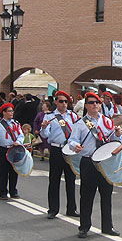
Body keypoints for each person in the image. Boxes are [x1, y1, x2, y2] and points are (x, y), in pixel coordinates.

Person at [68, 92, 122, 238]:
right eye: (91, 103)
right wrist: (76, 146)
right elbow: (71, 141)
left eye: (97, 102)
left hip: (105, 161)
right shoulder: (80, 123)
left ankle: (107, 226)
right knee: (87, 195)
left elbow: (116, 139)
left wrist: (118, 133)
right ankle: (84, 226)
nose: (95, 105)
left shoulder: (107, 121)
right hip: (88, 161)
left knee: (107, 195)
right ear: (86, 106)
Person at [40, 90, 80, 219]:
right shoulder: (49, 116)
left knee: (71, 180)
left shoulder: (73, 116)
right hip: (57, 149)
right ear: (56, 102)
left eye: (66, 101)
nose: (64, 104)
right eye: (61, 101)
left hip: (70, 149)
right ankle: (53, 209)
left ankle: (71, 208)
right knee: (54, 180)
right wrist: (44, 127)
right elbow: (44, 135)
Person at [0, 103, 24, 200]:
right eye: (9, 111)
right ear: (4, 112)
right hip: (4, 149)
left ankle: (13, 190)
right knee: (3, 172)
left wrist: (18, 142)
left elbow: (21, 135)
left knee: (14, 171)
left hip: (14, 149)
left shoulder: (16, 124)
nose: (11, 113)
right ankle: (3, 192)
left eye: (12, 111)